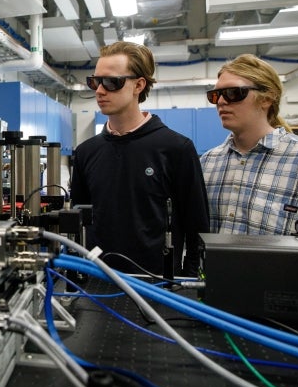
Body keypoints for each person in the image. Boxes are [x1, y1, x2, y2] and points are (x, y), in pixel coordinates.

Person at [70, 41, 209, 276]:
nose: (100, 91)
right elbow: (78, 223)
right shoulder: (86, 152)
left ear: (138, 85)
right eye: (95, 81)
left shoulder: (176, 148)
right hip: (97, 279)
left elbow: (196, 225)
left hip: (158, 285)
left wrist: (188, 279)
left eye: (112, 82)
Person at [200, 54, 298, 236]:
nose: (221, 102)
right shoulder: (208, 163)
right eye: (215, 95)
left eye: (233, 93)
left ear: (267, 98)